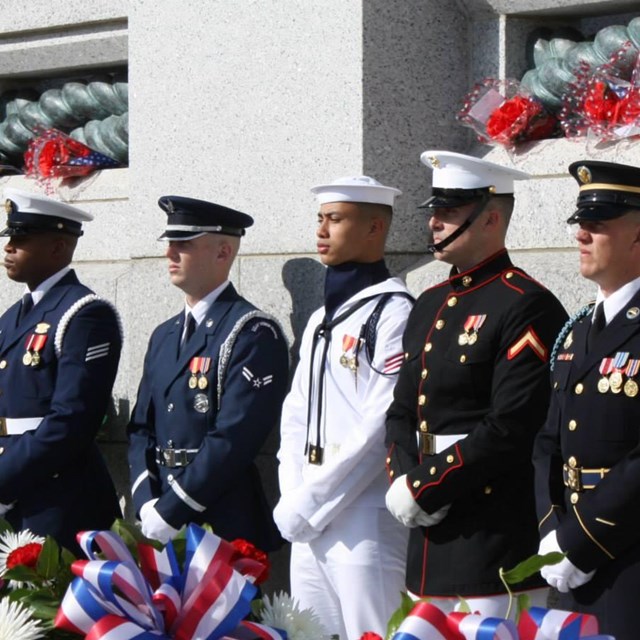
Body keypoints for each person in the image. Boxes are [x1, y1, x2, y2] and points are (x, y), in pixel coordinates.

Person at [385, 151, 568, 616]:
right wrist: (405, 480)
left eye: (449, 213)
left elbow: (511, 425)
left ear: (489, 218)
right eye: (435, 213)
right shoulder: (428, 303)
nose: (435, 224)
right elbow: (402, 411)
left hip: (489, 540)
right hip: (426, 536)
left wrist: (427, 487)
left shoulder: (526, 304)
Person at [274, 176, 413, 640]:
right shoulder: (320, 318)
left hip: (362, 515)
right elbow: (296, 412)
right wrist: (292, 489)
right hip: (306, 512)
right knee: (306, 632)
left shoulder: (394, 313)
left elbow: (379, 427)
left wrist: (311, 502)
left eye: (335, 219)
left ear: (375, 229)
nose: (322, 229)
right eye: (320, 218)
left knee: (371, 632)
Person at [127, 195, 288, 551]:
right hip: (159, 514)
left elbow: (234, 438)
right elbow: (141, 428)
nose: (170, 254)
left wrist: (173, 509)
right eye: (170, 243)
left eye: (183, 244)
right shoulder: (164, 335)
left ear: (223, 253)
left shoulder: (252, 333)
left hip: (220, 518)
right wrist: (147, 501)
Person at [533, 160, 640, 639]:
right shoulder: (577, 330)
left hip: (628, 557)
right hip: (571, 554)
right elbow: (548, 442)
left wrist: (581, 541)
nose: (581, 235)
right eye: (580, 224)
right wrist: (551, 534)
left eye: (596, 225)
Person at [0, 187, 122, 552]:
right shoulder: (13, 316)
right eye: (9, 239)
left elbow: (72, 420)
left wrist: (4, 480)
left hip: (55, 498)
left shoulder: (85, 314)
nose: (8, 248)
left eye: (20, 240)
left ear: (58, 248)